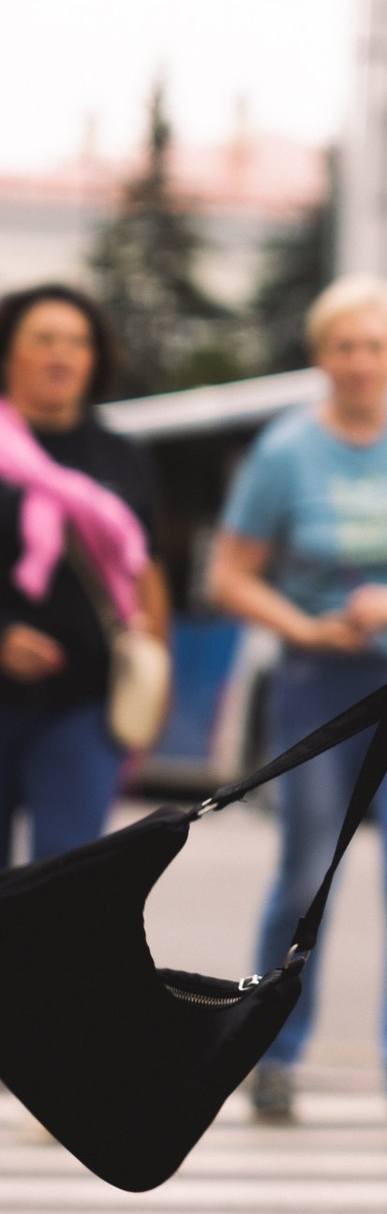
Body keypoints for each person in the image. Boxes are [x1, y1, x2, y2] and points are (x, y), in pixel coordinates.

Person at [208, 279, 387, 1134]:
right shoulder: (287, 451)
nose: (361, 362)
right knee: (307, 875)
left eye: (376, 346)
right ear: (321, 355)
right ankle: (274, 1056)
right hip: (317, 685)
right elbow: (230, 575)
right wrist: (302, 624)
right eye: (345, 346)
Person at [0, 284, 167, 865]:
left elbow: (146, 576)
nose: (61, 354)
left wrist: (155, 680)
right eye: (43, 339)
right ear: (8, 353)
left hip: (84, 705)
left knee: (63, 888)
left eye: (76, 341)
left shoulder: (120, 456)